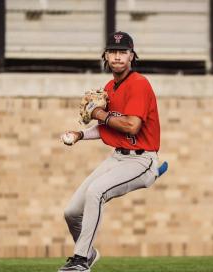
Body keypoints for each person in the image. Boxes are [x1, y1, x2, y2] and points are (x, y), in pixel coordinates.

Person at [58, 31, 161, 272]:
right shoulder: (109, 87)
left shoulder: (139, 84)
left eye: (122, 52)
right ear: (105, 56)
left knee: (96, 191)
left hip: (142, 160)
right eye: (112, 52)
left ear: (132, 56)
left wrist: (98, 113)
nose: (117, 56)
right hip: (117, 156)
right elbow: (107, 124)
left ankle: (80, 260)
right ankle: (89, 252)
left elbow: (131, 125)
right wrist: (80, 134)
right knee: (71, 212)